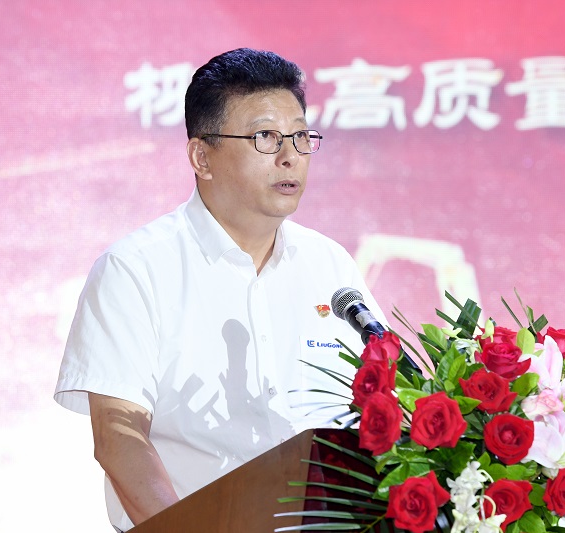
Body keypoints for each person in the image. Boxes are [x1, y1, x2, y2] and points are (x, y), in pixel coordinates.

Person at [54, 48, 384, 532]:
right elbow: (119, 438)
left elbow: (384, 400)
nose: (290, 156)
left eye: (300, 135)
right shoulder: (136, 269)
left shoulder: (329, 264)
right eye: (266, 137)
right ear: (201, 157)